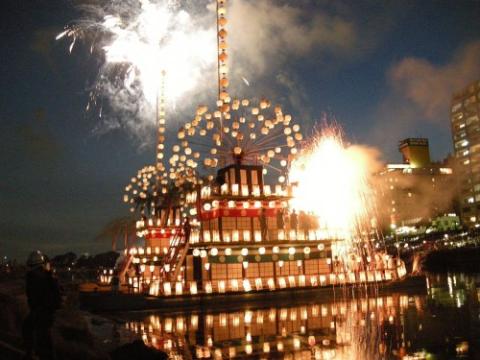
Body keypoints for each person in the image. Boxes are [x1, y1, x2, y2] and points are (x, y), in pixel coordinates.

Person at [23, 250, 61, 360]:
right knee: (44, 338)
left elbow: (34, 298)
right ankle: (34, 353)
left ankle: (30, 353)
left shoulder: (34, 277)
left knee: (36, 335)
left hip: (41, 313)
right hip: (46, 313)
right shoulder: (48, 277)